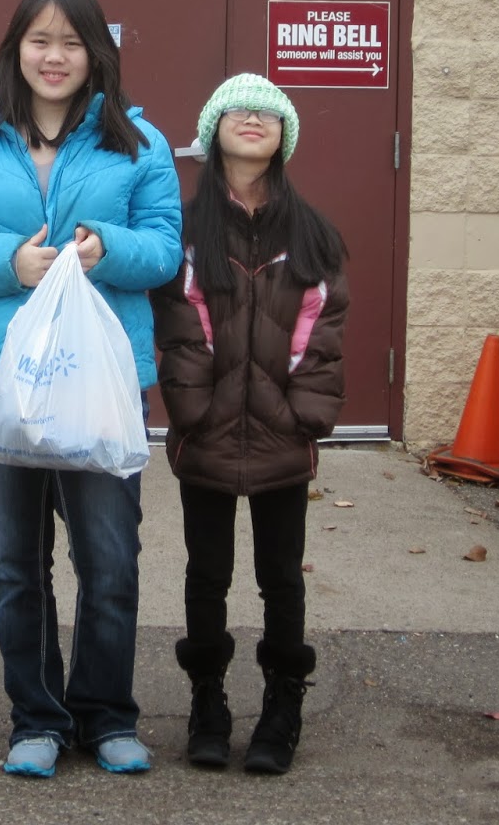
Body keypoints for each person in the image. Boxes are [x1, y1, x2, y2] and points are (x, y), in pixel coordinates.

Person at [0, 0, 182, 778]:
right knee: (17, 564)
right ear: (15, 49)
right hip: (1, 385)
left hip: (97, 386)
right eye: (40, 41)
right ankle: (37, 718)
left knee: (110, 559)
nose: (55, 57)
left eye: (71, 41)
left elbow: (165, 247)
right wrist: (9, 263)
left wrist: (109, 249)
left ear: (98, 51)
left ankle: (106, 717)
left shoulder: (138, 142)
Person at [150, 72, 349, 775]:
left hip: (280, 438)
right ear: (211, 134)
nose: (254, 119)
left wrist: (303, 420)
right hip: (206, 434)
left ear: (285, 137)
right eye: (238, 110)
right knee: (207, 574)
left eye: (269, 113)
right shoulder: (183, 231)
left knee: (280, 577)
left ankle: (281, 705)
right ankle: (207, 703)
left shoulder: (312, 234)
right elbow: (180, 329)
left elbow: (321, 336)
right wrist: (193, 413)